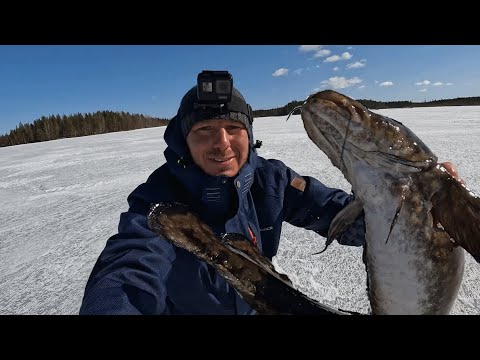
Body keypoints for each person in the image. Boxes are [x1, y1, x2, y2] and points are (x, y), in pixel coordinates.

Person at [79, 71, 462, 315]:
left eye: (232, 129)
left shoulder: (270, 180)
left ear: (248, 133)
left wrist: (416, 214)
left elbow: (336, 215)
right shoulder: (156, 198)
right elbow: (129, 269)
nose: (222, 144)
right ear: (184, 139)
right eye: (204, 131)